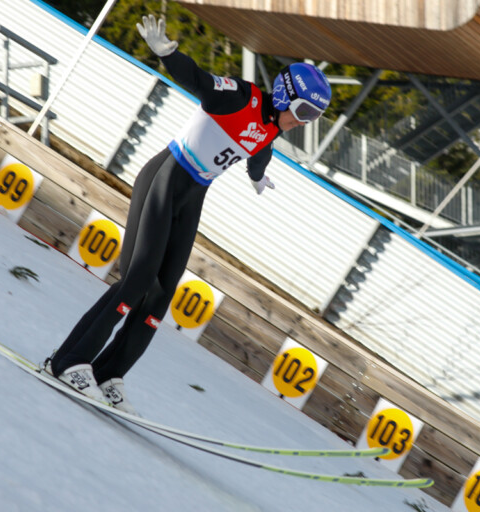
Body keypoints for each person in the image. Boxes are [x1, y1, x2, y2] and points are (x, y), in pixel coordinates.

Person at [45, 14, 332, 414]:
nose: (303, 123)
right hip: (166, 177)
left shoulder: (271, 129)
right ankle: (67, 362)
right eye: (304, 113)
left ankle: (109, 372)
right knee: (136, 281)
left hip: (193, 193)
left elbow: (260, 148)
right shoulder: (242, 97)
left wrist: (258, 177)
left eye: (312, 119)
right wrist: (168, 53)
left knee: (162, 292)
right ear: (285, 97)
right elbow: (199, 80)